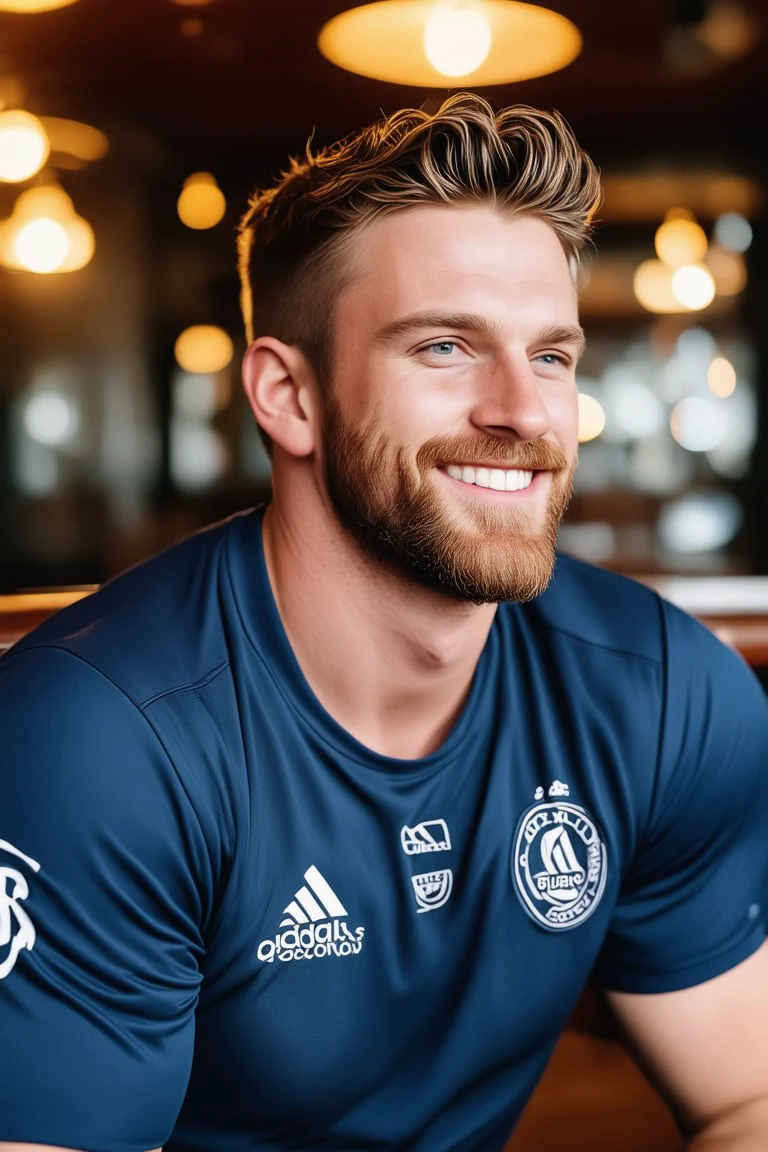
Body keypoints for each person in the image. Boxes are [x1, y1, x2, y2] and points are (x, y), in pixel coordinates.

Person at [1, 92, 767, 1152]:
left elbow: (748, 1099)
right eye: (446, 347)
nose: (526, 411)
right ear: (288, 396)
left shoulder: (664, 692)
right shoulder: (94, 741)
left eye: (551, 355)